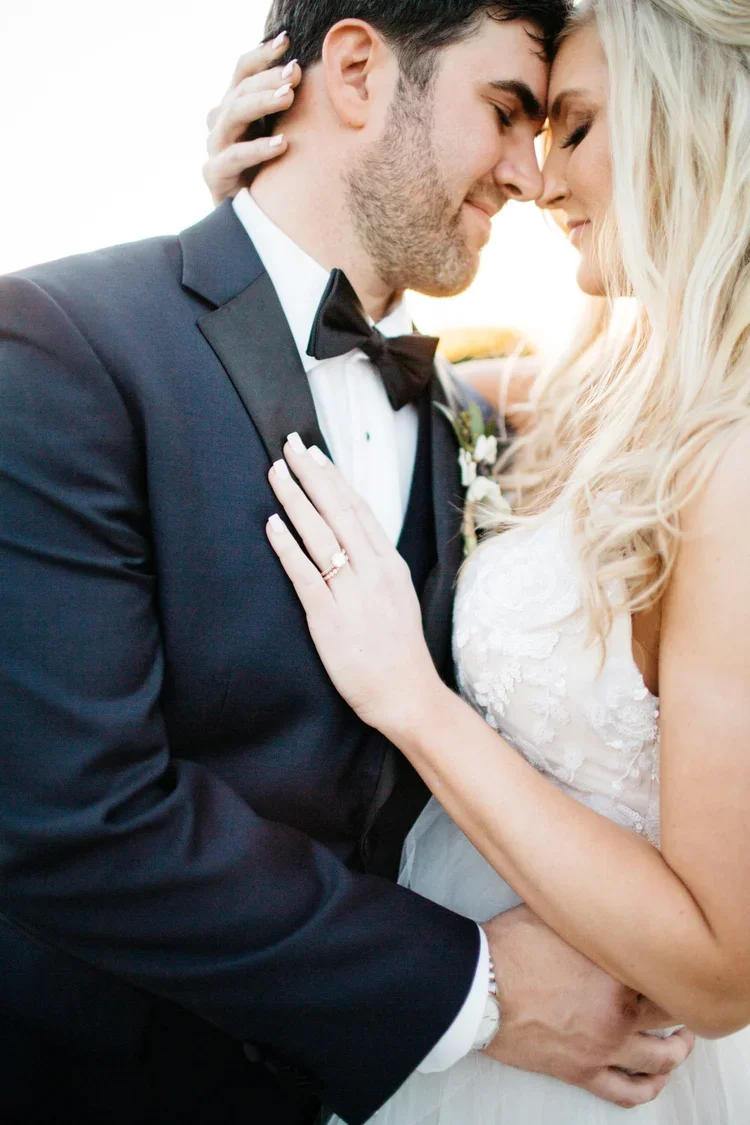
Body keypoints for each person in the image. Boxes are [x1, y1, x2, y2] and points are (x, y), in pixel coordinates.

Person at [0, 4, 693, 1124]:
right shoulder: (64, 347)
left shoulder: (482, 423)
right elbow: (77, 823)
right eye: (507, 110)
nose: (530, 170)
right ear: (361, 72)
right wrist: (475, 987)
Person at [214, 0, 750, 1121]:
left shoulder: (735, 462)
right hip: (449, 1033)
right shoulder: (598, 402)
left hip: (604, 1069)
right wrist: (262, 230)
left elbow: (721, 967)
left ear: (695, 123)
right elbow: (356, 387)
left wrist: (414, 701)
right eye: (524, 125)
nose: (542, 182)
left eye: (576, 127)